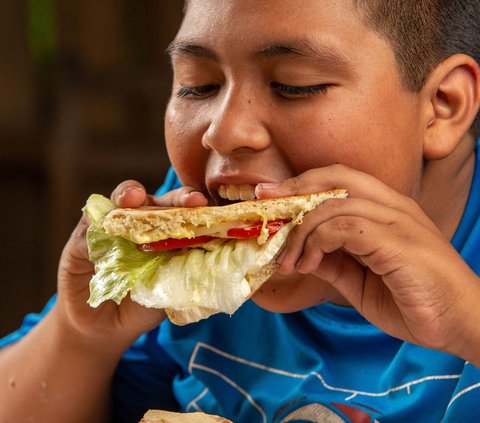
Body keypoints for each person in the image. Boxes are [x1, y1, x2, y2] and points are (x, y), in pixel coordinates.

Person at [2, 0, 480, 421]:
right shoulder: (187, 240)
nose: (223, 133)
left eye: (296, 86)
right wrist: (80, 333)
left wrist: (464, 317)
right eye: (198, 86)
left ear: (443, 104)